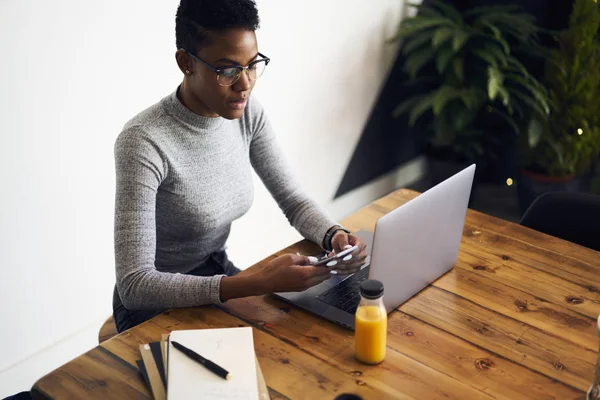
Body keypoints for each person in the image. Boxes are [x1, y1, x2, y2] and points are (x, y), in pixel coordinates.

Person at [112, 0, 367, 333]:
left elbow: (292, 198)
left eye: (252, 65)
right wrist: (255, 282)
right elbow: (135, 285)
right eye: (227, 70)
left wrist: (334, 235)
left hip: (218, 274)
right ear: (186, 62)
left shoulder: (247, 113)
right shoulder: (143, 142)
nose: (245, 83)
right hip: (154, 306)